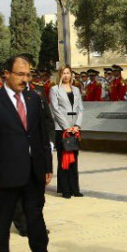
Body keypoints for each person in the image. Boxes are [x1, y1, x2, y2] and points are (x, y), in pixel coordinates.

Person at [0, 54, 61, 252]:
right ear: (7, 74)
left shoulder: (34, 99)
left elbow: (42, 135)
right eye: (21, 74)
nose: (25, 79)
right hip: (6, 173)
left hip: (33, 172)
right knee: (3, 219)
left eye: (28, 74)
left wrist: (46, 165)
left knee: (36, 221)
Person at [47, 66, 84, 198]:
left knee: (74, 159)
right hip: (61, 129)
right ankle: (65, 189)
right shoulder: (54, 89)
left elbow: (80, 109)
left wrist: (77, 125)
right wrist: (66, 126)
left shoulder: (76, 90)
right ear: (60, 75)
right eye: (64, 73)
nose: (66, 75)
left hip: (74, 129)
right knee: (64, 159)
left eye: (68, 73)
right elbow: (55, 110)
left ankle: (75, 188)